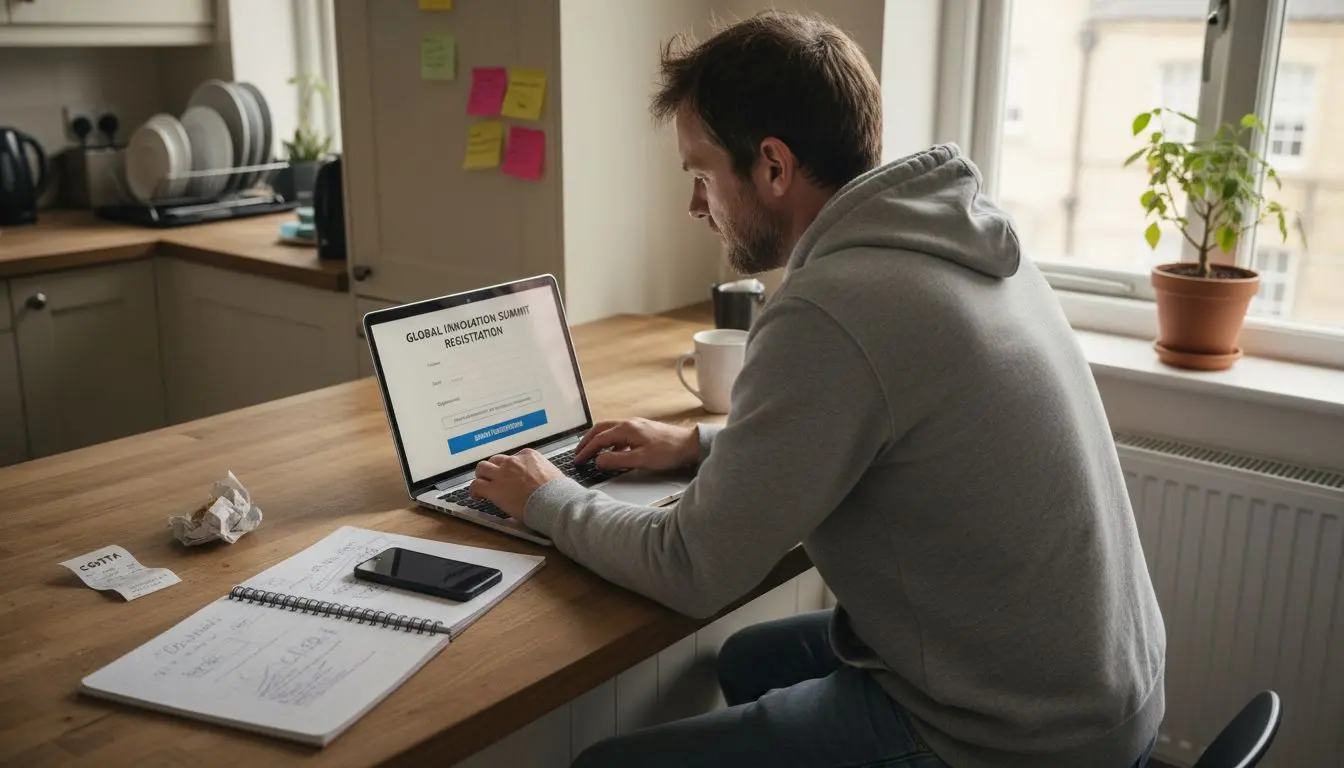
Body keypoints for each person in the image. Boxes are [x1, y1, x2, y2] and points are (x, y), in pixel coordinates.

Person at [468, 10, 1166, 768]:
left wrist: (546, 497)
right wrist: (699, 444)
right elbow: (883, 427)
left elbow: (691, 567)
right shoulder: (963, 243)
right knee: (749, 660)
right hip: (1100, 692)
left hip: (1015, 740)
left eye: (701, 174)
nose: (696, 206)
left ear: (772, 166)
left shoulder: (834, 306)